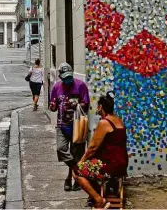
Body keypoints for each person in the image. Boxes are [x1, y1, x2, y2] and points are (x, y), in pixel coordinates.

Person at [73, 92, 128, 209]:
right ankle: (97, 195)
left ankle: (98, 199)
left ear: (101, 107)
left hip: (110, 165)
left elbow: (92, 148)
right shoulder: (119, 120)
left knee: (77, 171)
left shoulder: (104, 123)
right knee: (90, 165)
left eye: (98, 106)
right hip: (122, 163)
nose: (97, 109)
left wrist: (80, 162)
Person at [49, 62, 90, 192]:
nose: (68, 80)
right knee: (61, 149)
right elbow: (53, 106)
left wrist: (75, 105)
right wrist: (53, 106)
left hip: (77, 125)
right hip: (62, 125)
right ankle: (77, 171)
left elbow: (86, 104)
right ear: (60, 77)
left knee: (76, 154)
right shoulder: (56, 88)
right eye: (65, 77)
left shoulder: (80, 85)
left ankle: (71, 179)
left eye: (69, 77)